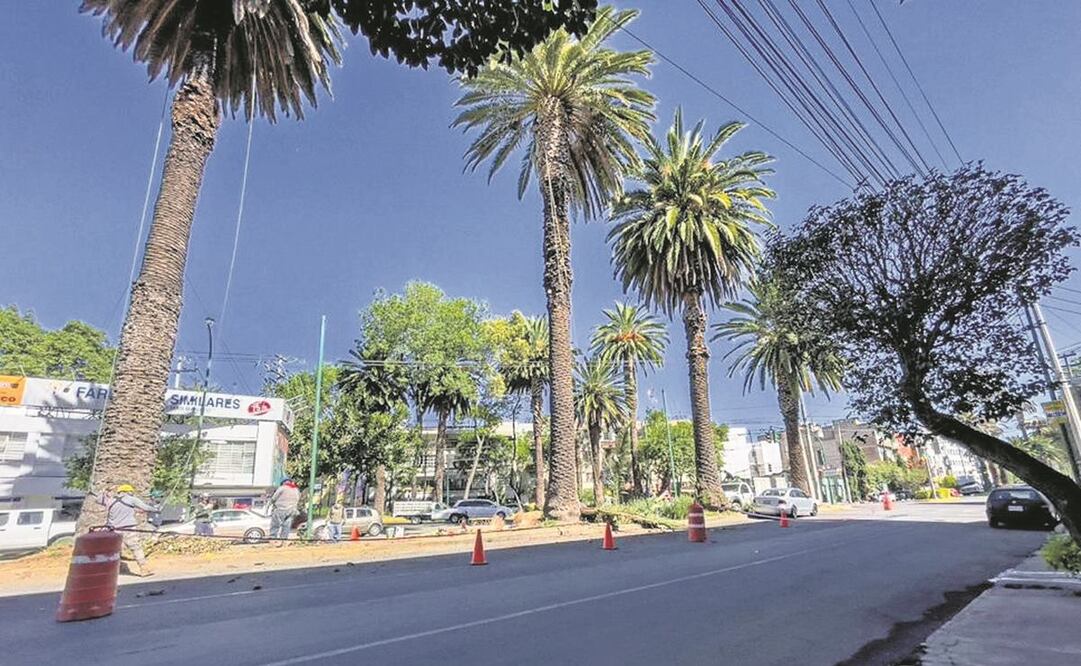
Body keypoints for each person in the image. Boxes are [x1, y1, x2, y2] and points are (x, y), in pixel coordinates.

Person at [100, 483, 159, 577]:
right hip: (129, 529)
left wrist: (104, 491)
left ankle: (113, 569)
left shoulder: (111, 500)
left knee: (115, 550)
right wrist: (156, 510)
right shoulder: (131, 499)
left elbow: (99, 500)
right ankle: (143, 568)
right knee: (136, 548)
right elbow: (145, 507)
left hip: (114, 530)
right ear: (128, 491)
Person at [268, 478, 300, 547]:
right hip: (291, 511)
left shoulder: (282, 488)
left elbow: (274, 498)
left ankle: (273, 540)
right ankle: (284, 541)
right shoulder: (296, 490)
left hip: (280, 509)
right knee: (286, 526)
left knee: (275, 525)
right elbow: (298, 499)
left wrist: (271, 504)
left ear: (283, 483)